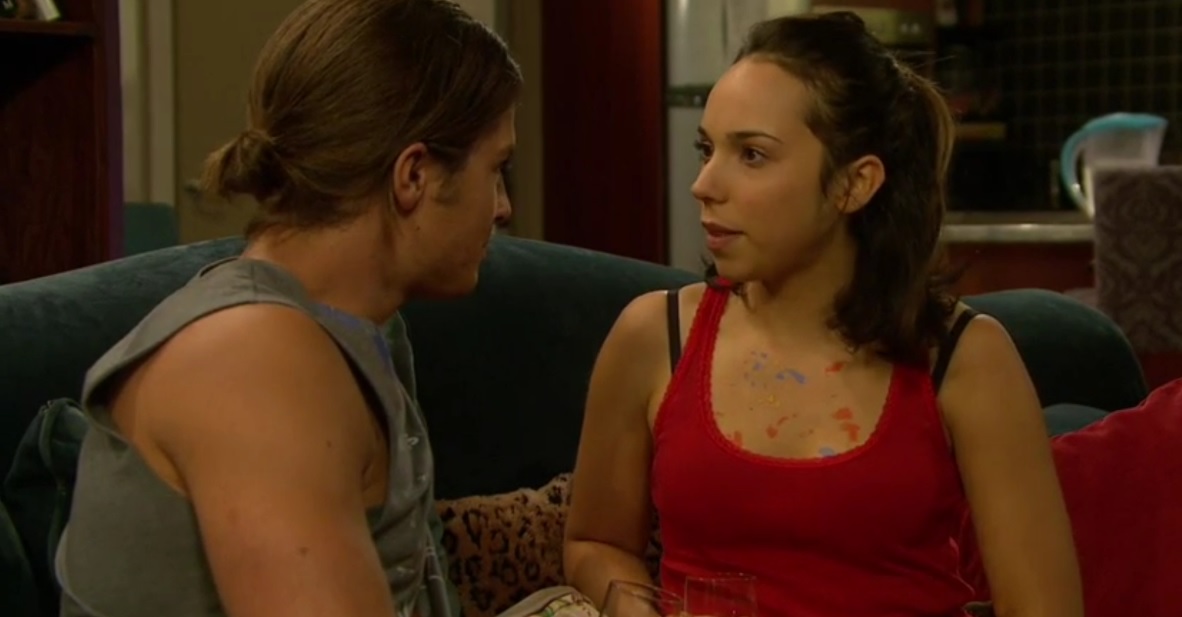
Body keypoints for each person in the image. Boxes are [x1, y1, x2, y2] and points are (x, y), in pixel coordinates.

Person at [564, 12, 1084, 617]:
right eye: (707, 149)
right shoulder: (654, 337)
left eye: (751, 154)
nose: (704, 183)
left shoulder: (966, 357)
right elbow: (595, 542)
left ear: (853, 184)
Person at [55, 1, 520, 616]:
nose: (504, 207)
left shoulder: (358, 331)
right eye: (496, 169)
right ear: (414, 176)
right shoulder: (251, 359)